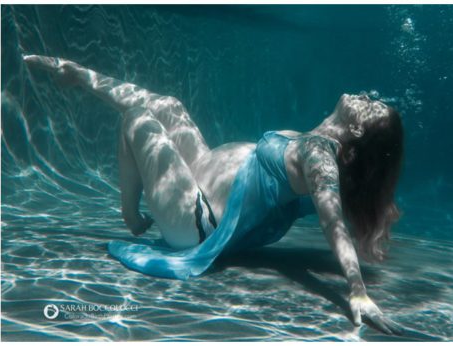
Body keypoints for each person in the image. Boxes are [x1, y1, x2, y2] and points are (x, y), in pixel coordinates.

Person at [24, 55, 404, 335]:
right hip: (201, 175)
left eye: (372, 110)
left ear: (356, 137)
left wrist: (357, 291)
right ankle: (77, 77)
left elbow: (332, 219)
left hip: (196, 219)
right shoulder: (320, 150)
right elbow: (338, 205)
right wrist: (86, 78)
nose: (367, 98)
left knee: (137, 119)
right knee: (169, 105)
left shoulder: (321, 155)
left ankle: (131, 216)